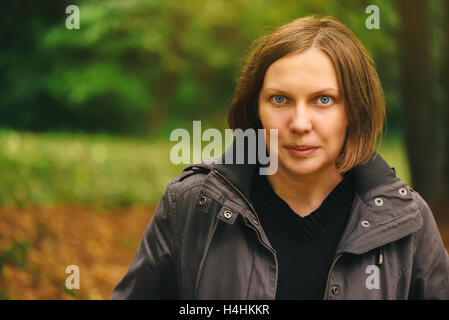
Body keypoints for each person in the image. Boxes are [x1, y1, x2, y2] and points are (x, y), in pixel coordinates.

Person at [111, 16, 449, 300]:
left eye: (324, 100)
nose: (300, 124)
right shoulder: (192, 204)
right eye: (280, 99)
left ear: (354, 111)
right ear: (255, 108)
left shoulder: (407, 221)